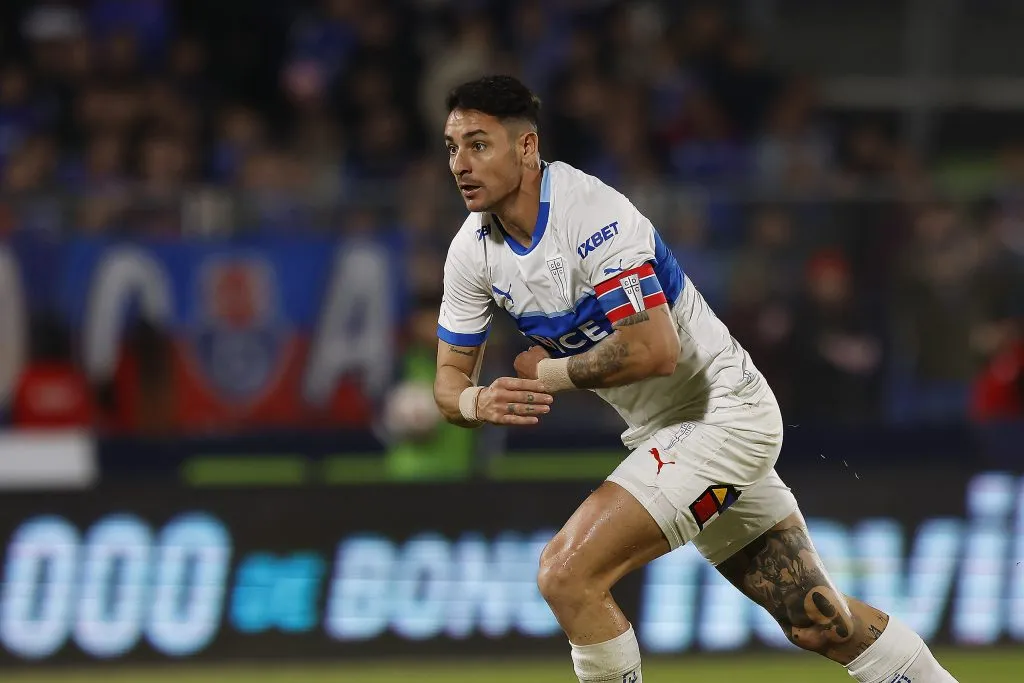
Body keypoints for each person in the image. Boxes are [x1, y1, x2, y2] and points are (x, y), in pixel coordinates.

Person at [432, 75, 958, 683]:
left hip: (724, 415)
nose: (460, 164)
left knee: (567, 573)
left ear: (526, 148)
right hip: (673, 436)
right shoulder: (472, 253)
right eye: (451, 147)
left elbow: (655, 349)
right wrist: (476, 399)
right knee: (818, 621)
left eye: (478, 144)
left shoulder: (592, 216)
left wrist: (547, 373)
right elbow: (448, 380)